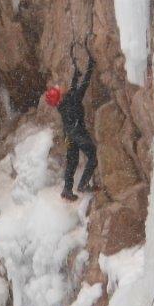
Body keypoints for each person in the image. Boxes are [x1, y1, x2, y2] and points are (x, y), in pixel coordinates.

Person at [45, 43, 98, 202]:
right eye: (58, 90)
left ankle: (67, 190)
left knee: (72, 162)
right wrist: (90, 66)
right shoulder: (72, 100)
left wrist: (76, 72)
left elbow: (73, 88)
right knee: (93, 156)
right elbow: (83, 86)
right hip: (78, 133)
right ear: (59, 96)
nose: (60, 88)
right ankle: (83, 184)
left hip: (69, 135)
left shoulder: (63, 104)